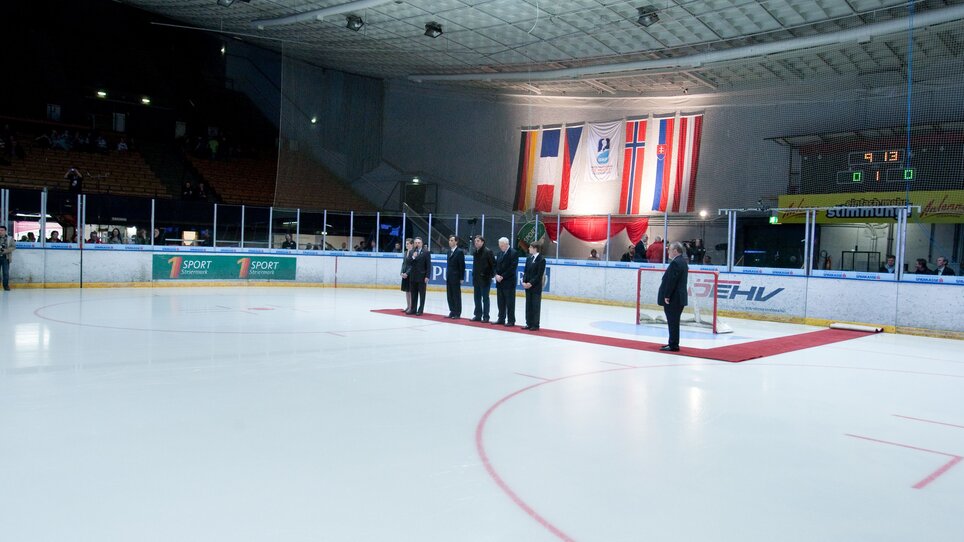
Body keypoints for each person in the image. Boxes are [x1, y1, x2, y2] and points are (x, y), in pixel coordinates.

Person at [658, 242, 689, 352]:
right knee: (674, 321)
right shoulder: (682, 262)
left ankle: (673, 344)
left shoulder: (676, 263)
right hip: (678, 298)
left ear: (675, 250)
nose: (668, 252)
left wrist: (667, 295)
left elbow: (672, 281)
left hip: (674, 298)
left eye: (669, 250)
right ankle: (672, 343)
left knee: (673, 321)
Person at [522, 242, 546, 331]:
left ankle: (535, 324)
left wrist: (530, 283)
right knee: (528, 305)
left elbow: (539, 275)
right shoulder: (529, 258)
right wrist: (524, 281)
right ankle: (528, 323)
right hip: (527, 287)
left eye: (530, 247)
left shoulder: (541, 259)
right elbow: (525, 272)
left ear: (535, 248)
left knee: (535, 306)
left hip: (535, 287)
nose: (529, 249)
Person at [471, 236, 496, 322]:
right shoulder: (475, 252)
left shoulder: (488, 252)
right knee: (477, 298)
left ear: (482, 242)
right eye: (475, 241)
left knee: (485, 298)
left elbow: (493, 264)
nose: (476, 242)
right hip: (476, 278)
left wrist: (492, 276)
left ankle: (486, 316)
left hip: (485, 279)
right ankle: (478, 315)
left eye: (478, 241)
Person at [494, 237, 518, 327]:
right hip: (499, 281)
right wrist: (496, 274)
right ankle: (501, 318)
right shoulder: (499, 253)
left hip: (509, 282)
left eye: (502, 245)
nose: (501, 247)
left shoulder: (513, 253)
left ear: (507, 244)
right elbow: (495, 265)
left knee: (510, 302)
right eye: (500, 245)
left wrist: (502, 276)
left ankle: (511, 320)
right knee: (500, 301)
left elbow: (512, 268)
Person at [406, 237, 430, 315]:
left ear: (422, 243)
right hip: (413, 276)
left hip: (422, 277)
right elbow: (409, 263)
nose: (417, 244)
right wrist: (413, 257)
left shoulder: (426, 252)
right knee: (413, 293)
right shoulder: (411, 252)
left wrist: (427, 276)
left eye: (419, 243)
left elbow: (428, 265)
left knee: (422, 294)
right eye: (416, 243)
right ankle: (413, 309)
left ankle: (420, 310)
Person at [445, 235, 466, 319]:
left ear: (456, 242)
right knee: (449, 294)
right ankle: (452, 311)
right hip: (449, 276)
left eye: (452, 240)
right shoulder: (448, 252)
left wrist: (461, 277)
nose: (450, 242)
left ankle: (457, 312)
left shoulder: (459, 252)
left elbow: (462, 265)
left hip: (456, 277)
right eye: (449, 240)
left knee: (456, 295)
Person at [399, 238, 414, 312]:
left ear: (412, 244)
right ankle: (408, 306)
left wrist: (407, 273)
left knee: (410, 291)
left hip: (410, 275)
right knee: (406, 291)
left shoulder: (413, 253)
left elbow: (412, 265)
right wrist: (401, 272)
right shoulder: (405, 252)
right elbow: (403, 263)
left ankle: (411, 307)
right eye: (406, 243)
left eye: (408, 243)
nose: (406, 245)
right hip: (404, 274)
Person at [0, 226, 15, 291]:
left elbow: (13, 247)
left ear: (5, 231)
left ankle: (5, 286)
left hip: (6, 257)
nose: (0, 231)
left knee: (5, 273)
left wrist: (5, 251)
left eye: (2, 230)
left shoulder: (10, 238)